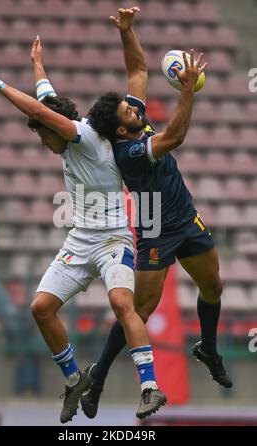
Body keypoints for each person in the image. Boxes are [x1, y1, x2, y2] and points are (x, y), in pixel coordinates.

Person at [0, 27, 166, 422]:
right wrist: (38, 66)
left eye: (44, 138)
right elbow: (47, 100)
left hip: (114, 237)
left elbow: (41, 112)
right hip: (81, 238)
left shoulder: (80, 136)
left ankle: (149, 387)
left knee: (121, 303)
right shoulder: (67, 128)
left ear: (56, 130)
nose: (44, 144)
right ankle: (75, 379)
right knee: (41, 308)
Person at [80, 7, 233, 419]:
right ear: (120, 131)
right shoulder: (129, 152)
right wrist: (187, 91)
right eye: (131, 113)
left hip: (185, 216)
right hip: (154, 228)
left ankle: (208, 348)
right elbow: (177, 136)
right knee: (139, 311)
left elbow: (138, 69)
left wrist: (127, 31)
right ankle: (97, 377)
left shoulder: (129, 122)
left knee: (214, 286)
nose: (138, 109)